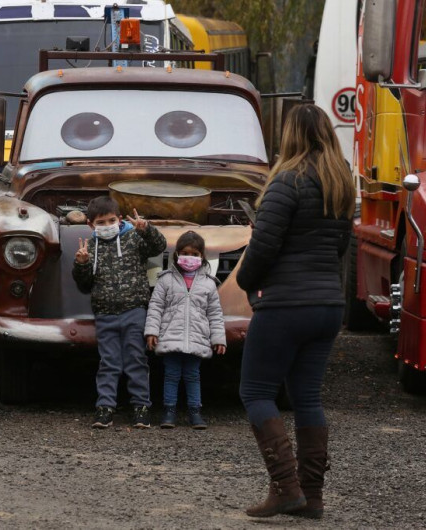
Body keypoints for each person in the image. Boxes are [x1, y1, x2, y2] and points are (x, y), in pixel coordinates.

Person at [236, 104, 355, 519]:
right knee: (306, 397)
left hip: (287, 303)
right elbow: (341, 247)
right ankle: (313, 496)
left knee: (255, 392)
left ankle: (286, 488)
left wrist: (245, 282)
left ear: (291, 136)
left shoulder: (286, 181)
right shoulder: (342, 182)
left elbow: (263, 245)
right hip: (327, 305)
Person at [72, 196, 167, 429]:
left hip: (134, 310)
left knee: (136, 359)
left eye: (111, 220)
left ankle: (141, 407)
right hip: (104, 314)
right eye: (101, 223)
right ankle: (105, 407)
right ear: (90, 225)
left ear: (120, 219)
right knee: (109, 362)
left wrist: (147, 230)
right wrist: (82, 265)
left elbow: (159, 247)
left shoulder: (133, 238)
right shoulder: (89, 247)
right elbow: (84, 286)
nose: (106, 226)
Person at [144, 231, 226, 429]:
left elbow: (215, 313)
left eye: (195, 254)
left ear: (202, 256)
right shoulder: (165, 280)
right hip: (171, 337)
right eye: (185, 253)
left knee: (192, 375)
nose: (190, 257)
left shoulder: (208, 283)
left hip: (197, 338)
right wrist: (151, 332)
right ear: (177, 254)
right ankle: (169, 411)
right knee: (171, 375)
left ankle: (195, 412)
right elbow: (155, 307)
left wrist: (219, 338)